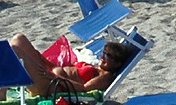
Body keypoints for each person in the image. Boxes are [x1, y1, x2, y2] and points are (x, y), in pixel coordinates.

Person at [7, 34, 135, 97]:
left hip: (49, 85)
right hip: (48, 73)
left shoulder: (105, 76)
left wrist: (53, 77)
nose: (103, 56)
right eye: (104, 53)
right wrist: (44, 61)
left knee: (15, 49)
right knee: (19, 39)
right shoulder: (96, 66)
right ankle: (2, 87)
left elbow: (84, 89)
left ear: (117, 63)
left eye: (108, 56)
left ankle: (1, 90)